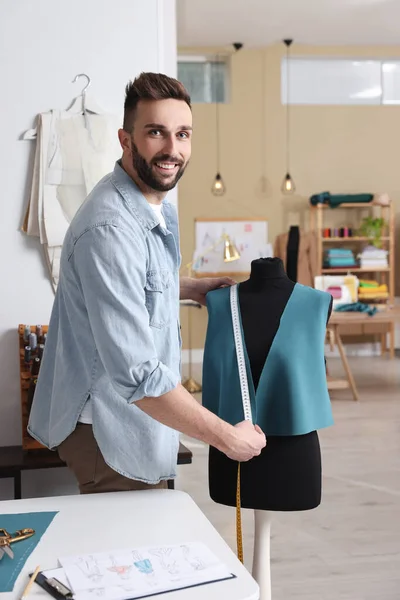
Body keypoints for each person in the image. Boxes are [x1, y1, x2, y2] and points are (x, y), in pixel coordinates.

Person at [28, 72, 266, 494]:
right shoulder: (110, 228)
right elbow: (137, 375)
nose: (172, 149)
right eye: (156, 132)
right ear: (126, 140)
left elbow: (129, 285)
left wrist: (187, 287)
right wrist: (227, 438)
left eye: (183, 134)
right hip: (110, 428)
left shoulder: (147, 204)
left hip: (131, 416)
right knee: (126, 555)